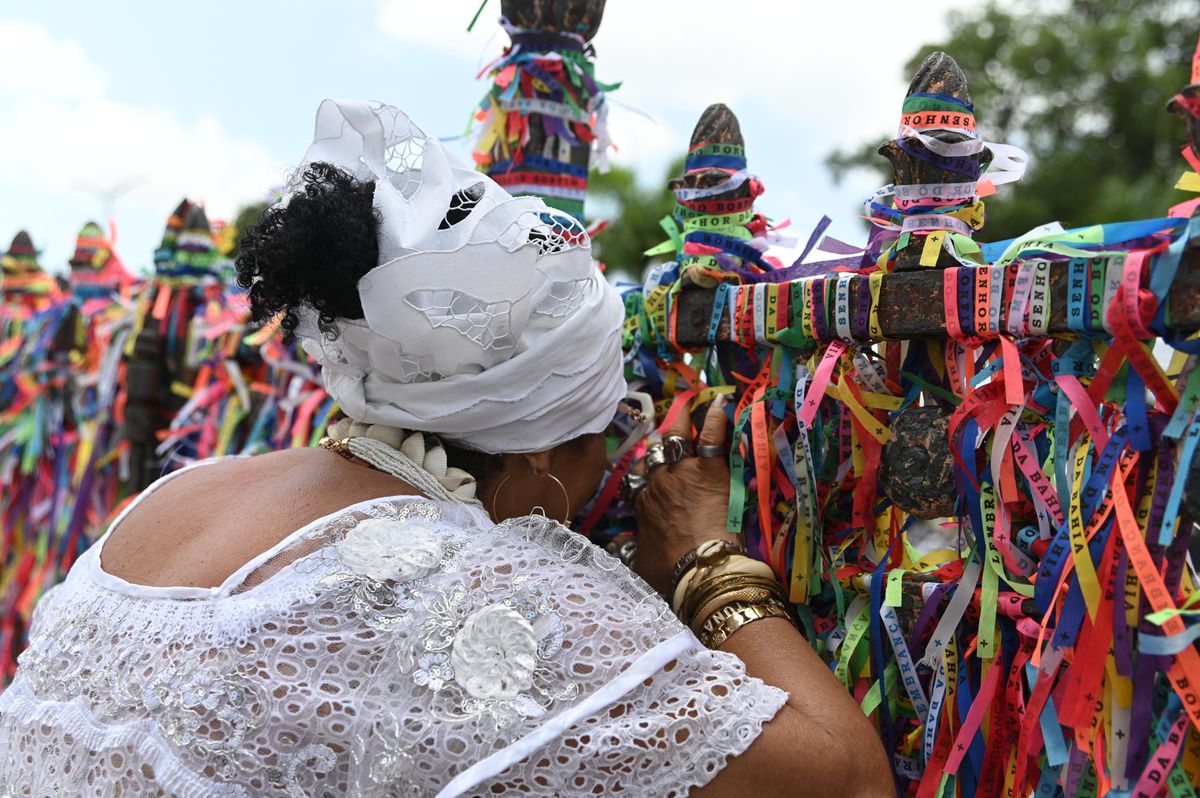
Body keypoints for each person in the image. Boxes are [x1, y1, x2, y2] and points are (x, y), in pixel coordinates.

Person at [0, 100, 891, 797]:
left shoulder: (176, 496)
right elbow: (846, 783)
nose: (613, 463)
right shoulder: (483, 594)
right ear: (544, 458)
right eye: (610, 428)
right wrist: (707, 563)